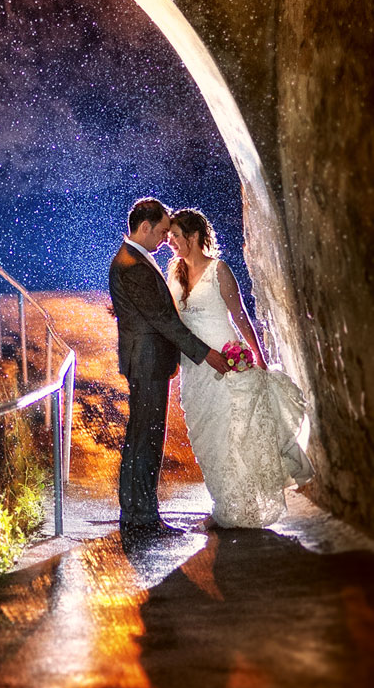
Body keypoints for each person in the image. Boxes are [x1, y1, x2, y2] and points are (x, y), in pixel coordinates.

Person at [167, 208, 314, 529]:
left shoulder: (219, 270)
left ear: (193, 237)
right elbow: (173, 321)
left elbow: (240, 315)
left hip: (228, 361)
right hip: (195, 369)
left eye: (176, 235)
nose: (170, 241)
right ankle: (223, 499)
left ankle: (236, 506)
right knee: (206, 437)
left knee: (233, 434)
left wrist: (258, 356)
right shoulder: (174, 273)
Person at [109, 198, 229, 539]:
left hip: (146, 360)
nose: (165, 239)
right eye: (162, 232)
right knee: (145, 439)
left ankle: (136, 513)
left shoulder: (132, 259)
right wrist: (204, 353)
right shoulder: (132, 264)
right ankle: (143, 518)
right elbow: (163, 319)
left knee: (140, 437)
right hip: (146, 363)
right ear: (144, 228)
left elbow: (150, 310)